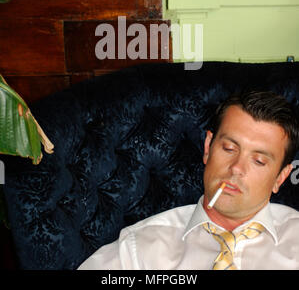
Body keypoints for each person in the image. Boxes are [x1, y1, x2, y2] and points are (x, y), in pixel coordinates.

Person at [78, 90, 299, 270]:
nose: (236, 168)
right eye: (229, 148)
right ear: (207, 147)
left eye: (259, 161)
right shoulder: (138, 250)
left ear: (280, 177)